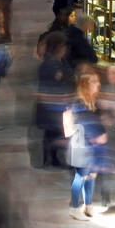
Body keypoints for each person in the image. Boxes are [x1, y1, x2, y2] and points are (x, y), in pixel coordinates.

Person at [63, 67, 109, 220]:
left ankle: (87, 205)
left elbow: (97, 121)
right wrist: (96, 137)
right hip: (82, 145)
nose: (98, 84)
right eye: (94, 82)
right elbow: (84, 124)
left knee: (91, 175)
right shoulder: (78, 103)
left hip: (94, 147)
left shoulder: (93, 102)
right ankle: (74, 208)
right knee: (81, 176)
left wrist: (102, 135)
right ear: (85, 84)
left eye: (98, 81)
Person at [35, 32, 72, 168]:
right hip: (51, 106)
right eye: (63, 46)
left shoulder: (59, 61)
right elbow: (58, 80)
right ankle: (49, 159)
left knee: (54, 132)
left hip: (56, 105)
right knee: (52, 132)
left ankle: (53, 158)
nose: (65, 49)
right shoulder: (50, 64)